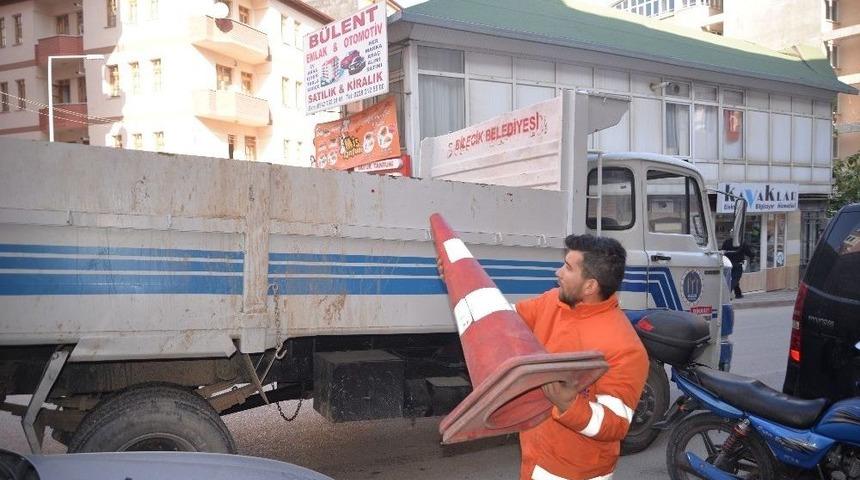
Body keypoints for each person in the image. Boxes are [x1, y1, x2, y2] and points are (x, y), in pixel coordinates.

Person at [515, 234, 649, 480]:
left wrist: (569, 405)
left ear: (590, 286)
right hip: (535, 458)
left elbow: (616, 424)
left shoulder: (625, 347)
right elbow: (506, 321)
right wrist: (459, 277)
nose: (558, 273)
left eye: (567, 267)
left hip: (577, 472)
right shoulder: (552, 302)